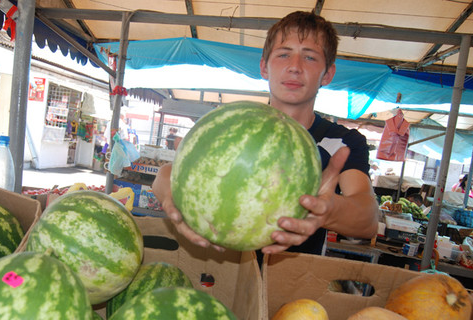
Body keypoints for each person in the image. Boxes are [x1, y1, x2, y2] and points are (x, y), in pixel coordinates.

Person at [152, 11, 379, 256]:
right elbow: (165, 175)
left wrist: (328, 208)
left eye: (310, 57)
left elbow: (368, 220)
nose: (295, 67)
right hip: (221, 271)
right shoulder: (232, 123)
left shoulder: (343, 142)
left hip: (291, 285)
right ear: (264, 67)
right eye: (284, 54)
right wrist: (170, 193)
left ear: (328, 74)